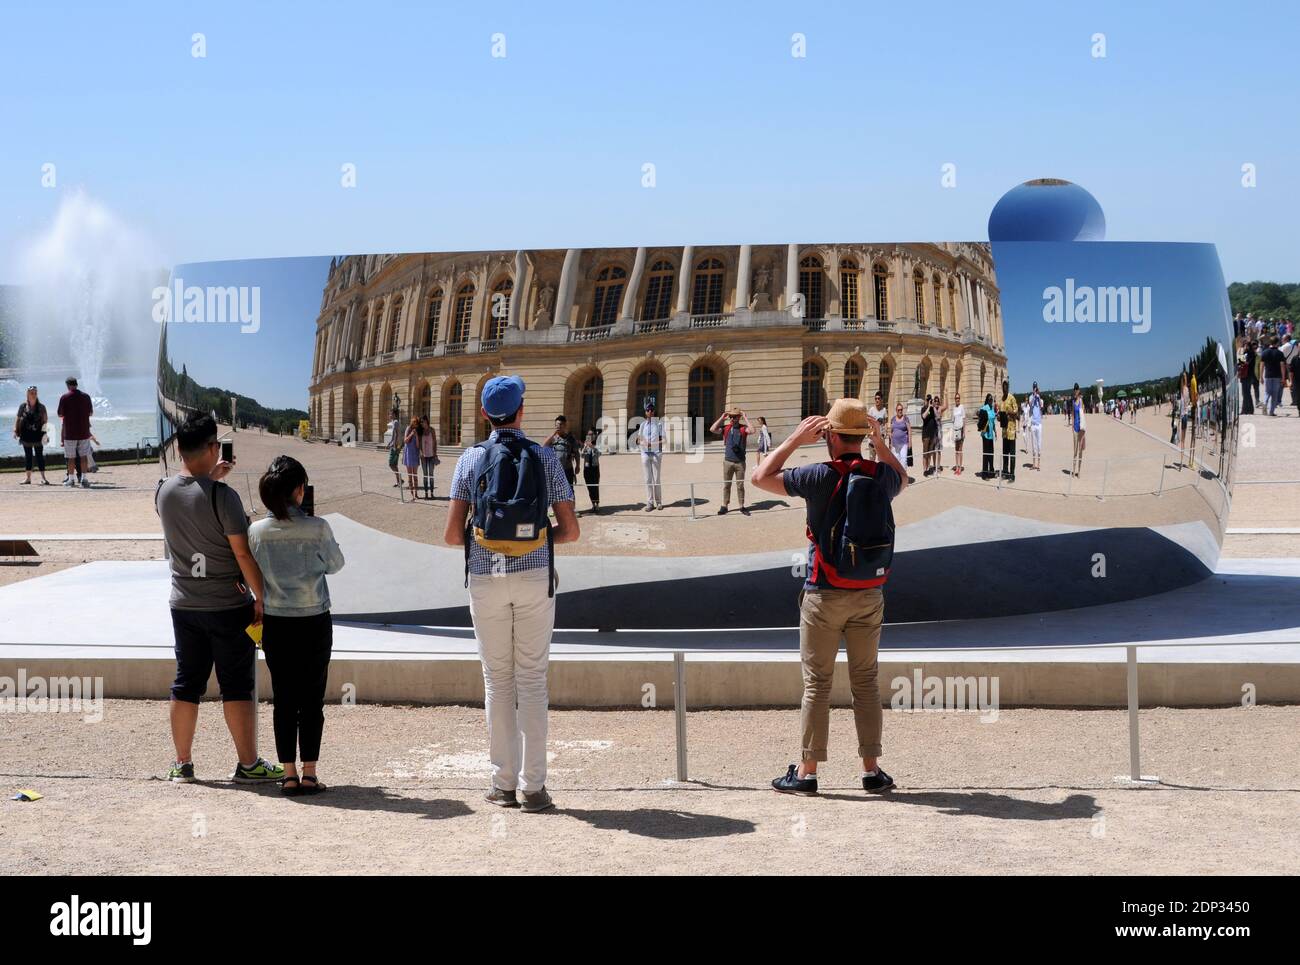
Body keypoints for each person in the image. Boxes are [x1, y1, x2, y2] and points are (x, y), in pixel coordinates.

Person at [750, 399, 907, 796]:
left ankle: (807, 772)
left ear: (831, 436)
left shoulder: (819, 475)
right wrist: (880, 441)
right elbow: (903, 478)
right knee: (866, 683)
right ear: (862, 435)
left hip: (824, 591)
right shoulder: (880, 475)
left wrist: (793, 440)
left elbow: (760, 478)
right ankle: (871, 769)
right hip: (869, 592)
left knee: (817, 684)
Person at [443, 376, 580, 813]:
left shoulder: (469, 460)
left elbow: (450, 536)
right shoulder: (544, 457)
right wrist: (533, 539)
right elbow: (571, 530)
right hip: (535, 575)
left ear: (485, 415)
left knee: (497, 681)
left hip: (484, 577)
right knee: (533, 680)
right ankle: (534, 789)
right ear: (521, 411)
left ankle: (502, 784)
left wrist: (489, 539)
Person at [155, 413, 284, 785]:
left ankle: (182, 763)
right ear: (213, 448)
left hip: (184, 603)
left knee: (186, 682)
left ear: (179, 448)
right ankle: (248, 764)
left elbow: (187, 498)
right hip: (228, 603)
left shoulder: (162, 491)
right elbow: (242, 554)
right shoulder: (224, 498)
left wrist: (208, 478)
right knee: (236, 684)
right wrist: (262, 596)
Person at [248, 456, 345, 796]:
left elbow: (253, 571)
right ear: (299, 490)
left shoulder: (257, 531)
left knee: (284, 697)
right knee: (312, 698)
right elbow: (336, 565)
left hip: (276, 621)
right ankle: (310, 773)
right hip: (314, 619)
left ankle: (287, 773)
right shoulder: (317, 527)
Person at [710, 405, 750, 514]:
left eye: (735, 417)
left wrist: (745, 417)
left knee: (740, 485)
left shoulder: (743, 428)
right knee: (727, 485)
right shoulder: (726, 428)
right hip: (728, 461)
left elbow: (752, 430)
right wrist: (721, 418)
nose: (732, 419)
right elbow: (712, 429)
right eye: (731, 417)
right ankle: (724, 505)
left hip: (740, 462)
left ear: (739, 417)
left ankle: (741, 506)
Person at [57, 376, 93, 488]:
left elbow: (60, 414)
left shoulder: (64, 397)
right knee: (83, 457)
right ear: (77, 384)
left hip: (70, 432)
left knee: (70, 457)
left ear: (67, 385)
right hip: (83, 431)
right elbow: (91, 413)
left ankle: (71, 479)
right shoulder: (86, 396)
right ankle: (84, 479)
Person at [13, 386, 50, 485]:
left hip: (38, 435)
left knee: (39, 456)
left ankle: (43, 478)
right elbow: (17, 418)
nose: (34, 394)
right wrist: (15, 430)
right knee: (28, 456)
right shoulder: (23, 406)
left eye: (35, 393)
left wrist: (45, 434)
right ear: (27, 394)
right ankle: (28, 478)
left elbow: (45, 421)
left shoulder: (42, 407)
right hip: (26, 435)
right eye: (32, 393)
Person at [638, 398, 664, 511]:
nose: (650, 412)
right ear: (645, 412)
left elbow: (664, 440)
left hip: (656, 453)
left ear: (654, 412)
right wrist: (643, 442)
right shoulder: (642, 425)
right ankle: (649, 502)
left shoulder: (659, 424)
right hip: (645, 453)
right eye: (648, 410)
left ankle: (658, 502)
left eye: (652, 410)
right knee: (647, 479)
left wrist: (652, 443)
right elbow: (638, 439)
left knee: (656, 479)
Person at [543, 415, 580, 490]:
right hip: (555, 469)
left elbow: (576, 453)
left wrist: (577, 465)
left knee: (569, 490)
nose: (558, 426)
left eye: (560, 424)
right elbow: (544, 445)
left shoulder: (570, 439)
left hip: (567, 469)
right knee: (555, 490)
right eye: (556, 425)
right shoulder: (552, 438)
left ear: (565, 425)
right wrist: (553, 434)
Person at [1260, 336, 1287, 417]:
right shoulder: (1280, 353)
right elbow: (1282, 366)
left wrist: (1261, 376)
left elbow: (1262, 365)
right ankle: (1271, 412)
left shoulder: (1264, 352)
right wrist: (1283, 377)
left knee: (1267, 392)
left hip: (1267, 375)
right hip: (1277, 376)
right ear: (1277, 343)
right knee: (1275, 394)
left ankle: (1265, 402)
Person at [998, 380, 1018, 482]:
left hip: (1012, 430)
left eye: (1006, 387)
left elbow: (1017, 414)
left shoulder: (1012, 398)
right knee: (1005, 453)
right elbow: (1001, 413)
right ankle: (1005, 472)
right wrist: (999, 417)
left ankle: (1012, 475)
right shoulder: (1001, 399)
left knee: (1012, 453)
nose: (1004, 389)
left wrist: (1010, 412)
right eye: (1003, 387)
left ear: (1008, 388)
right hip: (1004, 431)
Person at [579, 430, 601, 512]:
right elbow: (581, 455)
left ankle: (597, 504)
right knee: (589, 487)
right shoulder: (585, 445)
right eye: (588, 434)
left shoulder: (597, 444)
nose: (590, 436)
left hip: (595, 468)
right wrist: (585, 446)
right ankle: (593, 504)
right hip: (587, 468)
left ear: (594, 435)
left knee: (595, 486)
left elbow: (600, 454)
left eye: (591, 434)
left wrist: (592, 447)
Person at [418, 415, 438, 498]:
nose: (422, 423)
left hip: (431, 455)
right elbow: (419, 444)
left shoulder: (432, 430)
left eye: (423, 422)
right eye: (421, 422)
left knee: (431, 474)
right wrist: (420, 453)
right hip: (423, 457)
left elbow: (435, 442)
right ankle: (426, 493)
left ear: (427, 421)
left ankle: (432, 493)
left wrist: (435, 453)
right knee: (425, 475)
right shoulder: (420, 431)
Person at [920, 395, 939, 476]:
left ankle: (928, 468)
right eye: (928, 400)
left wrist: (933, 406)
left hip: (932, 434)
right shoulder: (924, 408)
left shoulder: (933, 408)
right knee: (925, 453)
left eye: (930, 400)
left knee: (930, 453)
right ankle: (925, 469)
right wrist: (928, 407)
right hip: (926, 434)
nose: (929, 401)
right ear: (926, 400)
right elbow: (923, 416)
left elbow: (937, 416)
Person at [979, 393, 997, 478]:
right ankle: (984, 474)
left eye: (992, 400)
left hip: (991, 435)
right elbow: (979, 414)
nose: (991, 401)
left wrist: (995, 431)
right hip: (985, 434)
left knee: (991, 454)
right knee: (986, 454)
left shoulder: (992, 408)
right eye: (990, 399)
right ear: (987, 400)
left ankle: (991, 471)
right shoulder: (984, 408)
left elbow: (993, 422)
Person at [888, 403, 910, 474]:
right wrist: (890, 443)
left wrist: (910, 442)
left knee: (903, 460)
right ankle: (897, 478)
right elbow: (890, 431)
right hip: (895, 444)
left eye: (901, 409)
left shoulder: (906, 418)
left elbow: (909, 430)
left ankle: (903, 477)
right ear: (896, 410)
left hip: (904, 443)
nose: (900, 411)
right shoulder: (893, 419)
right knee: (896, 461)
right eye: (898, 410)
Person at [402, 417, 421, 496]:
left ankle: (416, 492)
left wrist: (416, 436)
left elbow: (417, 445)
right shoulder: (408, 428)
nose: (415, 424)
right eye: (414, 422)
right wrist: (411, 434)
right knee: (410, 475)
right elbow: (405, 440)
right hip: (408, 453)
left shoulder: (418, 430)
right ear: (412, 422)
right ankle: (411, 493)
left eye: (416, 423)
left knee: (415, 474)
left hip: (415, 453)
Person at [1071, 384, 1087, 477]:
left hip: (1081, 428)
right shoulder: (1073, 402)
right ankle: (1073, 470)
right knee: (1075, 450)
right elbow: (1072, 414)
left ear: (1079, 390)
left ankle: (1079, 471)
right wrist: (1072, 426)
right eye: (1074, 389)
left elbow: (1083, 415)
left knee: (1080, 450)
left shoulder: (1081, 401)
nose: (1075, 391)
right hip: (1075, 428)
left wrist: (1083, 428)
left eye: (1077, 389)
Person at [1027, 382, 1044, 471]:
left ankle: (1039, 464)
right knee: (1033, 444)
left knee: (1039, 443)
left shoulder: (1039, 398)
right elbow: (1030, 404)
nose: (1035, 389)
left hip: (1039, 424)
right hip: (1033, 423)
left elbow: (1041, 406)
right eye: (1034, 387)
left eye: (1036, 387)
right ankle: (1033, 464)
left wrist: (1038, 395)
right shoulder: (1031, 397)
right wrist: (1034, 395)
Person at [950, 392, 965, 476]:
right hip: (955, 430)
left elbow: (964, 419)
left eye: (958, 398)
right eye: (956, 398)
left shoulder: (962, 407)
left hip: (961, 430)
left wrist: (964, 432)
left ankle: (960, 467)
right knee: (956, 450)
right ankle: (956, 466)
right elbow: (953, 421)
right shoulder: (954, 408)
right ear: (954, 399)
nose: (957, 399)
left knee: (960, 449)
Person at [386, 410, 402, 488]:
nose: (390, 415)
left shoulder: (395, 422)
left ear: (395, 415)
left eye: (391, 414)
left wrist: (394, 446)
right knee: (394, 464)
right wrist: (389, 443)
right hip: (396, 445)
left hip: (395, 446)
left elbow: (396, 434)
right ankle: (399, 481)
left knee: (391, 464)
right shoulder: (395, 422)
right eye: (389, 414)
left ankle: (399, 479)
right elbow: (394, 435)